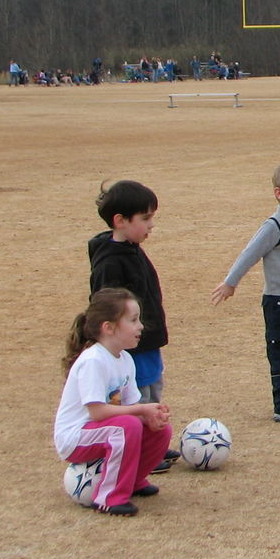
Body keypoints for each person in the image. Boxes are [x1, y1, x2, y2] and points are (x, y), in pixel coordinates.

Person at [212, 163, 280, 423]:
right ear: (279, 193)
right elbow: (250, 253)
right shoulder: (274, 225)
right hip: (279, 300)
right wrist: (231, 282)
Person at [53, 288, 173, 516]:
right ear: (108, 327)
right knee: (126, 427)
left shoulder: (126, 359)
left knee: (159, 430)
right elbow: (97, 412)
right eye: (133, 320)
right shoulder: (93, 361)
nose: (141, 326)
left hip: (105, 430)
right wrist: (140, 410)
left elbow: (131, 406)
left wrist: (151, 415)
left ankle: (133, 482)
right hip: (75, 437)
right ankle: (109, 497)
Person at [89, 180, 179, 474]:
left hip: (148, 339)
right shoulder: (110, 262)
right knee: (138, 395)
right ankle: (140, 449)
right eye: (145, 218)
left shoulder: (132, 248)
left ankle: (153, 440)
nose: (151, 225)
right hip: (132, 346)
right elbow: (105, 305)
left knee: (154, 387)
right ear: (120, 221)